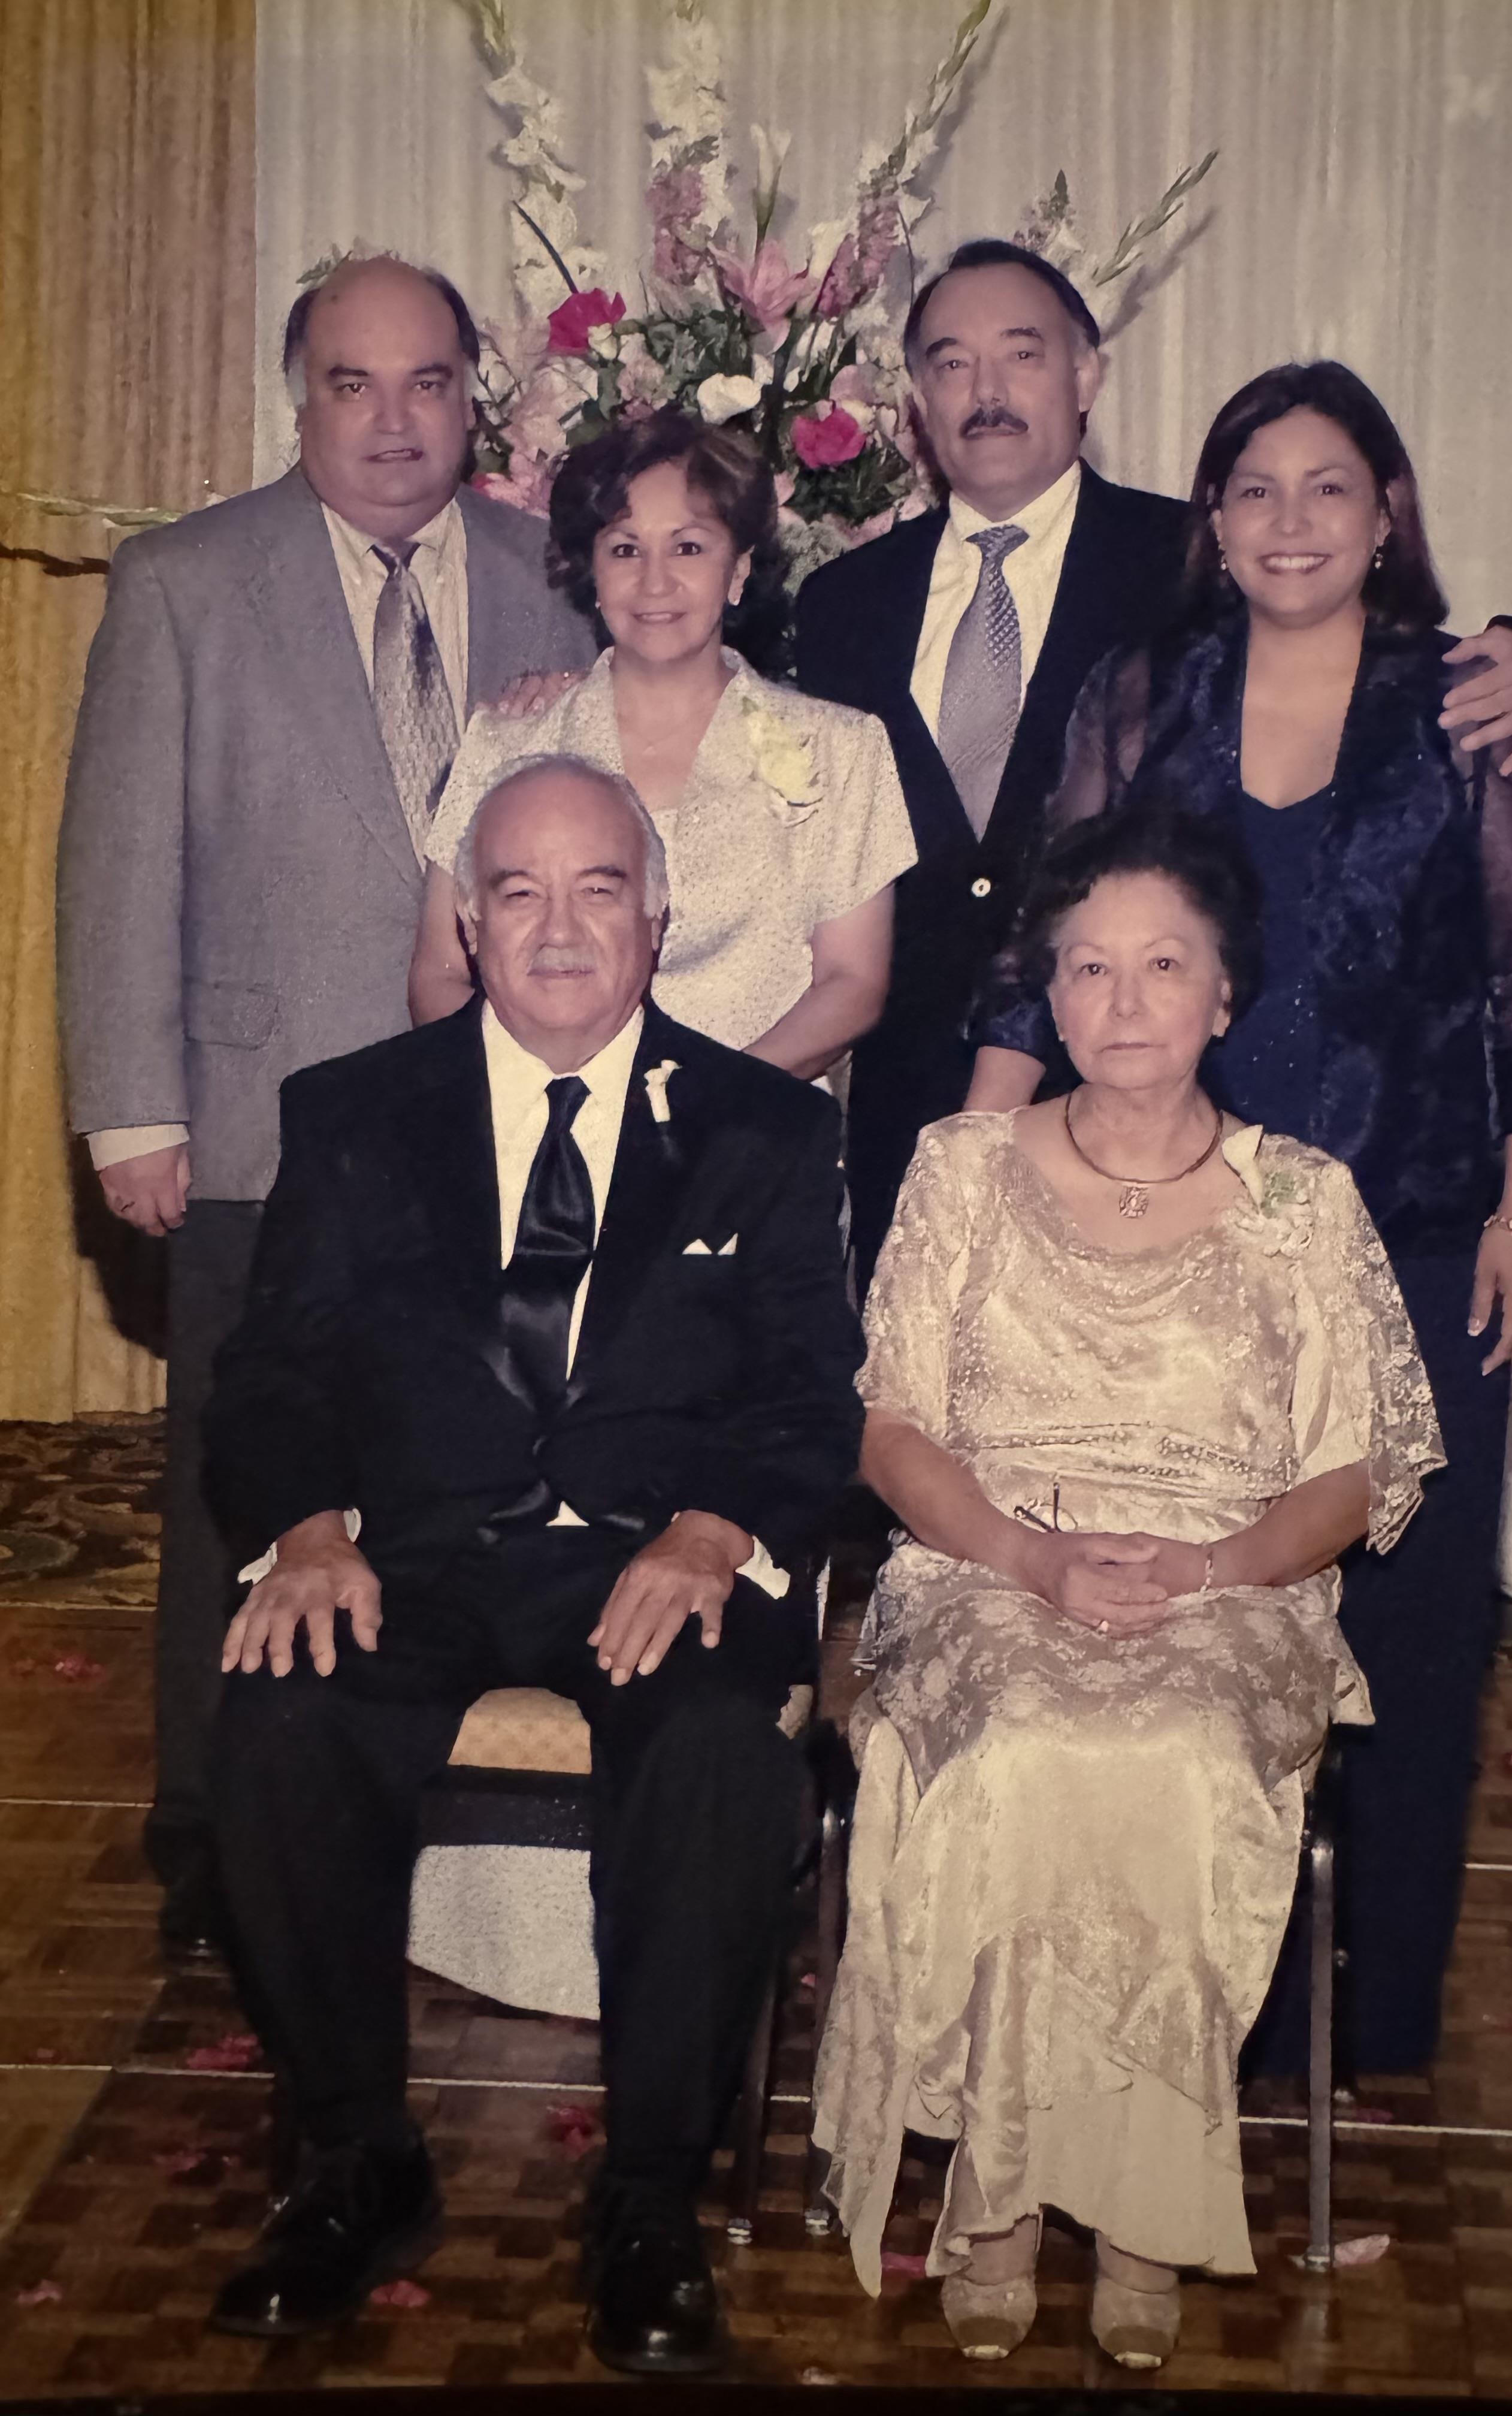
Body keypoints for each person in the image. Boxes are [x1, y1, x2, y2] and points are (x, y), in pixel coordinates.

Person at [964, 361, 1512, 2077]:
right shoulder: (1141, 690)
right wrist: (976, 1163)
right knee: (1205, 1618)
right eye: (1255, 488)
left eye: (1330, 488)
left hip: (1420, 1223)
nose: (1291, 520)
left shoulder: (1470, 706)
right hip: (1178, 1234)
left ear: (1387, 517)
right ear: (1213, 521)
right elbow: (1043, 944)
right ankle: (1204, 1996)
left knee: (1411, 1617)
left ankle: (1374, 2017)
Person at [199, 755, 863, 2367]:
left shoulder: (767, 1130)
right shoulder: (352, 1115)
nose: (559, 929)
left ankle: (649, 2199)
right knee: (281, 1719)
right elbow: (272, 1377)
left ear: (657, 917)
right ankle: (359, 2161)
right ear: (471, 928)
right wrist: (307, 1531)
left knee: (717, 1748)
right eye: (517, 892)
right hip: (411, 1554)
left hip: (654, 1555)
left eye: (597, 890)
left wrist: (712, 1528)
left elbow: (810, 1396)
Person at [812, 802, 1443, 2366]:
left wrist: (1212, 1564)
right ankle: (1002, 2201)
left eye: (1164, 965)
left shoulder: (1303, 1199)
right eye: (1087, 967)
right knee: (1026, 1744)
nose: (1123, 999)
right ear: (1050, 994)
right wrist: (1030, 1556)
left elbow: (1356, 1473)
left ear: (1224, 994)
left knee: (1168, 1754)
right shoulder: (961, 1168)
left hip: (1228, 1583)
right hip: (986, 1564)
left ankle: (1144, 2212)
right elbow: (890, 1430)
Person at [55, 255, 593, 1959]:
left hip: (489, 1127)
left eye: (429, 382)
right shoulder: (185, 582)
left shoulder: (552, 579)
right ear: (301, 398)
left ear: (473, 400)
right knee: (248, 1480)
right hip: (253, 1121)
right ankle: (211, 1834)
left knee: (447, 1478)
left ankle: (410, 1826)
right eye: (353, 385)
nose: (393, 421)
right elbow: (118, 857)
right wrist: (130, 1107)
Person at [794, 240, 1512, 1282]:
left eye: (1022, 354)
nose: (987, 391)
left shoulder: (1190, 563)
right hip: (949, 1118)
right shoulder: (839, 603)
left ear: (1086, 377)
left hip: (1244, 1145)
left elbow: (1389, 669)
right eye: (951, 362)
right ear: (915, 400)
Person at [410, 407, 915, 1082]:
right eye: (625, 550)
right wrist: (542, 1099)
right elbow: (439, 972)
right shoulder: (506, 745)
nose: (654, 582)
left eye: (688, 548)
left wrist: (704, 1107)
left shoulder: (841, 751)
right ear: (591, 573)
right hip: (547, 1122)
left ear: (738, 571)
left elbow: (852, 984)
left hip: (753, 1120)